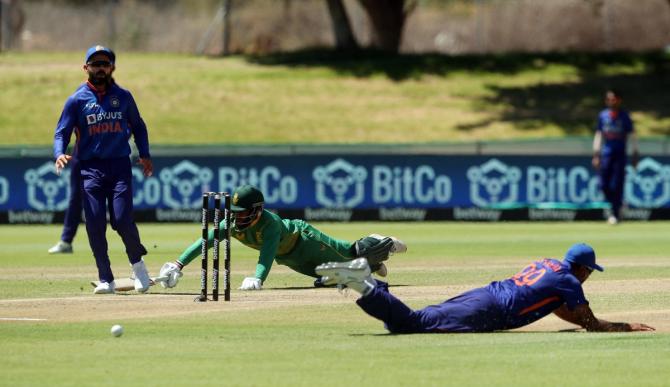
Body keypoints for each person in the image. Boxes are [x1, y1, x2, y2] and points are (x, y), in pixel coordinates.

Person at [315, 243, 655, 333]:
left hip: (484, 294)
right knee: (412, 323)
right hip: (491, 311)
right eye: (590, 271)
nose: (588, 276)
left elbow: (555, 307)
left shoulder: (548, 265)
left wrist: (578, 322)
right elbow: (590, 322)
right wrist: (625, 325)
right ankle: (364, 283)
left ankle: (365, 284)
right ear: (582, 268)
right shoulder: (568, 280)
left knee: (409, 321)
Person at [158, 184, 407, 290]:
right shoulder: (232, 224)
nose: (237, 217)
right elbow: (207, 240)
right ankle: (374, 265)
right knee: (332, 276)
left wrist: (257, 278)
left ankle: (384, 243)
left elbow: (266, 253)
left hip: (306, 240)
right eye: (234, 212)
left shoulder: (270, 223)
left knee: (350, 251)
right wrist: (178, 264)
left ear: (256, 210)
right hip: (289, 258)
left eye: (242, 212)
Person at [53, 45, 154, 294]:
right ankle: (105, 278)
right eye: (95, 64)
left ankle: (138, 267)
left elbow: (139, 127)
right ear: (85, 67)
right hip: (90, 168)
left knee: (121, 219)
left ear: (112, 68)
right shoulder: (76, 100)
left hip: (119, 166)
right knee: (95, 222)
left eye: (104, 64)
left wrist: (144, 154)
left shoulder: (124, 97)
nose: (100, 68)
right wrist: (59, 153)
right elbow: (61, 132)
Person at [592, 89, 639, 225]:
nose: (612, 102)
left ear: (619, 100)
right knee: (602, 184)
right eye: (609, 99)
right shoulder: (603, 116)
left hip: (620, 154)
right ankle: (617, 204)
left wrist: (635, 153)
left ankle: (615, 213)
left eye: (614, 99)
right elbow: (599, 134)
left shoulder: (624, 116)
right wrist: (596, 154)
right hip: (606, 154)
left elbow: (632, 135)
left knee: (618, 185)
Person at [48, 154, 81, 254]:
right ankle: (66, 241)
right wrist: (59, 153)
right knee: (75, 199)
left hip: (111, 157)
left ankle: (129, 243)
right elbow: (60, 137)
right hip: (81, 156)